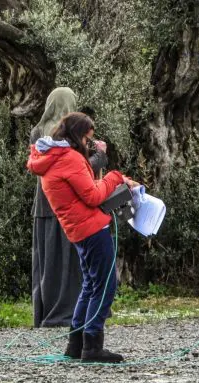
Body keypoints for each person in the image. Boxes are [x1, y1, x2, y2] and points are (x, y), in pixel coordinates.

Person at [27, 112, 139, 362]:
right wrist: (116, 177)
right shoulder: (69, 159)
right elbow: (93, 196)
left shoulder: (49, 157)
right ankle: (92, 345)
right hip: (92, 229)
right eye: (88, 139)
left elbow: (83, 187)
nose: (89, 144)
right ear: (78, 136)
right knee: (105, 285)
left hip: (76, 230)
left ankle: (75, 344)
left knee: (89, 284)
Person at [28, 87, 82, 328]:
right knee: (69, 262)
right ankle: (70, 312)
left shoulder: (37, 132)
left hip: (43, 205)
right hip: (67, 204)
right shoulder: (72, 134)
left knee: (46, 262)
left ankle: (45, 312)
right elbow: (77, 170)